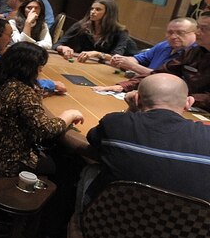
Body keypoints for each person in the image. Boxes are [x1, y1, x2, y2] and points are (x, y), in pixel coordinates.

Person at [84, 74, 210, 203]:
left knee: (90, 171)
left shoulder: (114, 123)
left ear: (137, 99)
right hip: (185, 222)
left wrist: (131, 110)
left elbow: (92, 141)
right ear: (188, 103)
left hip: (107, 220)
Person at [0, 42, 84, 177]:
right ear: (27, 69)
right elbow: (45, 130)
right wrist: (68, 115)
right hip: (10, 159)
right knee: (65, 163)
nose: (40, 72)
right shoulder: (23, 92)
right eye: (39, 68)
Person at [94, 14, 210, 111]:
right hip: (184, 106)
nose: (197, 33)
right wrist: (122, 86)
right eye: (198, 28)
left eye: (203, 29)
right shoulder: (193, 52)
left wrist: (185, 99)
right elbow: (161, 74)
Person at [108, 17, 197, 76]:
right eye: (170, 32)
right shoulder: (164, 45)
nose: (173, 36)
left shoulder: (196, 55)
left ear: (195, 33)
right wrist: (121, 60)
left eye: (180, 33)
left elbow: (165, 79)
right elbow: (138, 59)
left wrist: (132, 66)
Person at [54, 0, 136, 61]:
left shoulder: (120, 32)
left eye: (98, 9)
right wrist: (62, 47)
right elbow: (56, 45)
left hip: (108, 68)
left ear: (108, 13)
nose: (92, 12)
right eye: (92, 9)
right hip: (85, 63)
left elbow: (116, 57)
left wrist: (98, 54)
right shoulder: (81, 25)